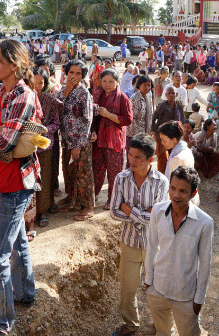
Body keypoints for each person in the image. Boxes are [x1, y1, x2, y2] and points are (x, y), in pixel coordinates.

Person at [0, 39, 42, 335]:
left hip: (16, 184)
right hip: (0, 179)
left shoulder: (22, 96)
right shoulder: (1, 92)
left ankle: (0, 322)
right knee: (17, 242)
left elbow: (3, 140)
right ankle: (26, 293)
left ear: (13, 66)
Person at [109, 134, 170, 336]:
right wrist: (144, 213)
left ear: (150, 159)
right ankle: (131, 325)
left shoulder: (161, 182)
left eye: (138, 157)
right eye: (130, 155)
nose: (132, 161)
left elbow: (158, 218)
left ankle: (158, 325)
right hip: (129, 243)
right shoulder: (121, 178)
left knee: (156, 289)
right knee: (128, 290)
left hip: (155, 245)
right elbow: (113, 212)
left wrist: (128, 209)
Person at [145, 167, 213, 336]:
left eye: (183, 191)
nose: (175, 195)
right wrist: (148, 282)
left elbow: (205, 263)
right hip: (158, 289)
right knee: (162, 332)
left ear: (193, 193)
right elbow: (152, 246)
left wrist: (199, 299)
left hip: (185, 296)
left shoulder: (204, 222)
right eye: (173, 188)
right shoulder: (158, 211)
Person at [55, 59, 96, 220]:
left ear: (83, 76)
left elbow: (87, 120)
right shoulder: (62, 91)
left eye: (78, 73)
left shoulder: (84, 93)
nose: (74, 76)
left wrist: (78, 145)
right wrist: (66, 92)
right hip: (66, 141)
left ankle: (87, 206)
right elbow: (57, 111)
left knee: (83, 174)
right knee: (69, 171)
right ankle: (73, 199)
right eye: (71, 72)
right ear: (66, 73)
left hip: (80, 143)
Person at [91, 68, 133, 209]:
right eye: (104, 81)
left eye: (111, 81)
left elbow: (128, 120)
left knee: (114, 173)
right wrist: (93, 132)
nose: (107, 84)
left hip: (114, 141)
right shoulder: (97, 95)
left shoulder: (123, 98)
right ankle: (94, 195)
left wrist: (108, 115)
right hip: (98, 140)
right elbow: (92, 118)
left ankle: (112, 199)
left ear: (117, 82)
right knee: (97, 170)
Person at [33, 67, 61, 229]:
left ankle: (43, 211)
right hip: (27, 147)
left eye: (41, 83)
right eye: (34, 82)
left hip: (45, 146)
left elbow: (56, 123)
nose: (37, 86)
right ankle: (31, 213)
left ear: (45, 84)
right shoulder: (24, 98)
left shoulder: (50, 100)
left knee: (44, 178)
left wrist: (44, 130)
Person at [151, 85, 184, 177]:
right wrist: (156, 133)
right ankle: (161, 176)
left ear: (176, 94)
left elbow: (182, 120)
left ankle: (171, 176)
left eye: (173, 93)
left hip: (173, 135)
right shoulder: (162, 106)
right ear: (166, 95)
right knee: (162, 157)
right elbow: (153, 118)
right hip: (162, 134)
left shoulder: (179, 105)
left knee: (173, 156)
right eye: (169, 93)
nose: (171, 95)